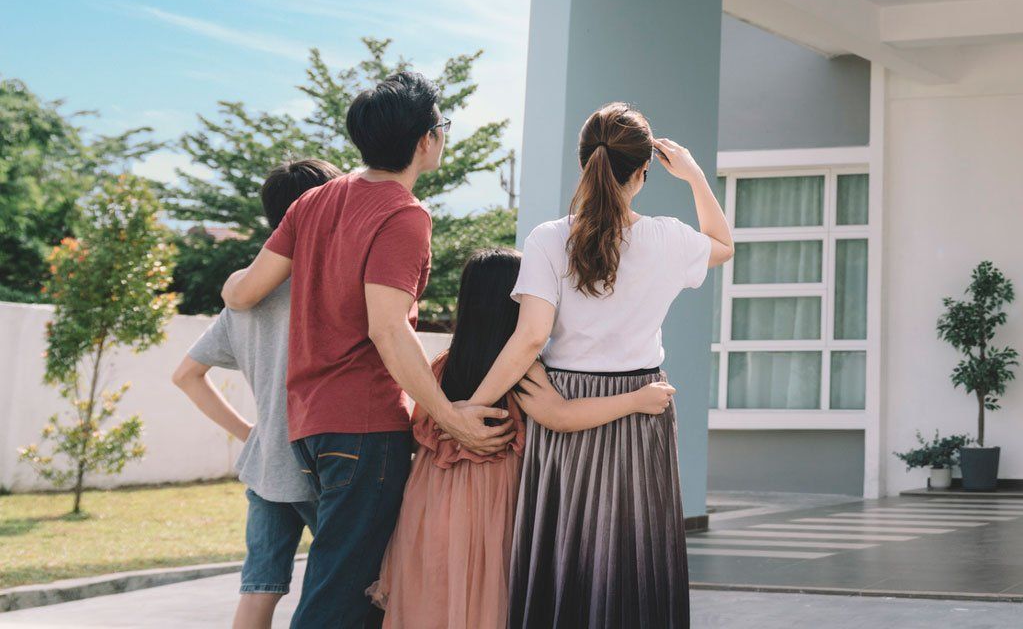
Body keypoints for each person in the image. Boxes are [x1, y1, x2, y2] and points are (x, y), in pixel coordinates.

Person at [221, 71, 511, 629]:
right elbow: (388, 328)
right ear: (426, 139)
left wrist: (233, 283)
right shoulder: (403, 214)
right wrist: (451, 419)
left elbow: (245, 291)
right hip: (363, 426)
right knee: (341, 595)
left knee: (351, 590)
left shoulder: (312, 201)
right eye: (442, 126)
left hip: (308, 426)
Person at [463, 103, 732, 629]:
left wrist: (472, 406)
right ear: (644, 173)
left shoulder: (546, 238)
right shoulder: (667, 237)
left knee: (566, 550)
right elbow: (723, 244)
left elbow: (530, 337)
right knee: (633, 557)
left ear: (584, 162)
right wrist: (696, 175)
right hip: (642, 407)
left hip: (563, 404)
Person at [371, 247, 678, 629]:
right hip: (499, 504)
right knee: (491, 601)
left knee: (436, 597)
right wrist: (636, 399)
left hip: (432, 505)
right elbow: (562, 417)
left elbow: (420, 431)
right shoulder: (523, 370)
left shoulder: (442, 366)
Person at [172, 158, 342, 629]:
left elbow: (186, 374)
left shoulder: (245, 295)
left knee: (258, 591)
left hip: (267, 465)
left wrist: (253, 433)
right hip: (325, 460)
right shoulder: (332, 285)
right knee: (346, 586)